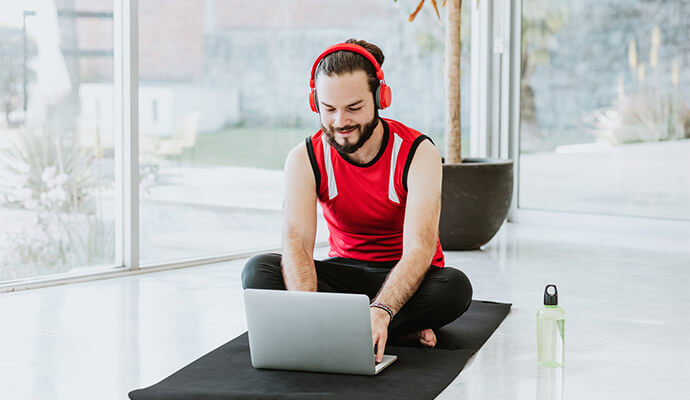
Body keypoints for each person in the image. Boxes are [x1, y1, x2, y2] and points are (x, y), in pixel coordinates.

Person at [242, 39, 473, 362]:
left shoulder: (418, 152)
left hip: (406, 276)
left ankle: (371, 322)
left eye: (354, 108)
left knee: (454, 288)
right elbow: (297, 242)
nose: (340, 122)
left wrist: (382, 308)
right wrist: (304, 310)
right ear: (315, 103)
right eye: (329, 109)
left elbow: (420, 248)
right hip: (345, 275)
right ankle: (384, 328)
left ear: (381, 99)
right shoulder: (304, 158)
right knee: (258, 271)